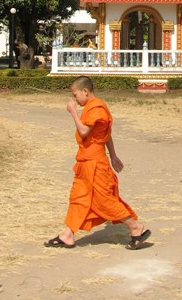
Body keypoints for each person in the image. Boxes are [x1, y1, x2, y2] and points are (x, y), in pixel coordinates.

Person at [44, 75, 151, 251]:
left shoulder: (97, 108)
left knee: (104, 200)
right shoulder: (92, 108)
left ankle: (136, 227)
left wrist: (73, 112)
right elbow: (105, 135)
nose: (76, 100)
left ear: (85, 91)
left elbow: (85, 131)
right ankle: (67, 234)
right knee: (78, 196)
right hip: (85, 161)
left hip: (95, 162)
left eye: (76, 95)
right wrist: (114, 155)